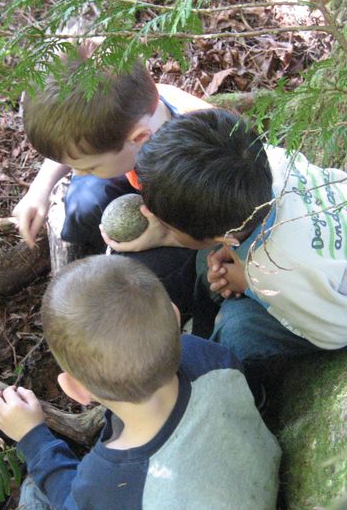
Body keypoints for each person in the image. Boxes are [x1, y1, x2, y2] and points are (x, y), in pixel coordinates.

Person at [0, 255, 281, 510]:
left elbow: (71, 503)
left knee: (33, 492)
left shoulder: (105, 482)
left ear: (76, 390)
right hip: (257, 486)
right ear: (175, 315)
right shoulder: (208, 356)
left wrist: (33, 439)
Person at [13, 40, 212, 321]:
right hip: (139, 178)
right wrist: (39, 189)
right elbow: (76, 144)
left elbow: (220, 235)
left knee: (136, 283)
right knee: (83, 205)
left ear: (139, 139)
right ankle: (97, 245)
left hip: (191, 225)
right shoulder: (133, 113)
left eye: (89, 166)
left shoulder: (196, 165)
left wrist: (166, 236)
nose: (77, 173)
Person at [135, 108, 347, 370]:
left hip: (330, 304)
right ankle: (199, 334)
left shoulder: (277, 271)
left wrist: (250, 284)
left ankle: (245, 389)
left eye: (166, 227)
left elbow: (337, 331)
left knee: (237, 329)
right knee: (207, 262)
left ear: (225, 236)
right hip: (304, 257)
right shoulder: (265, 160)